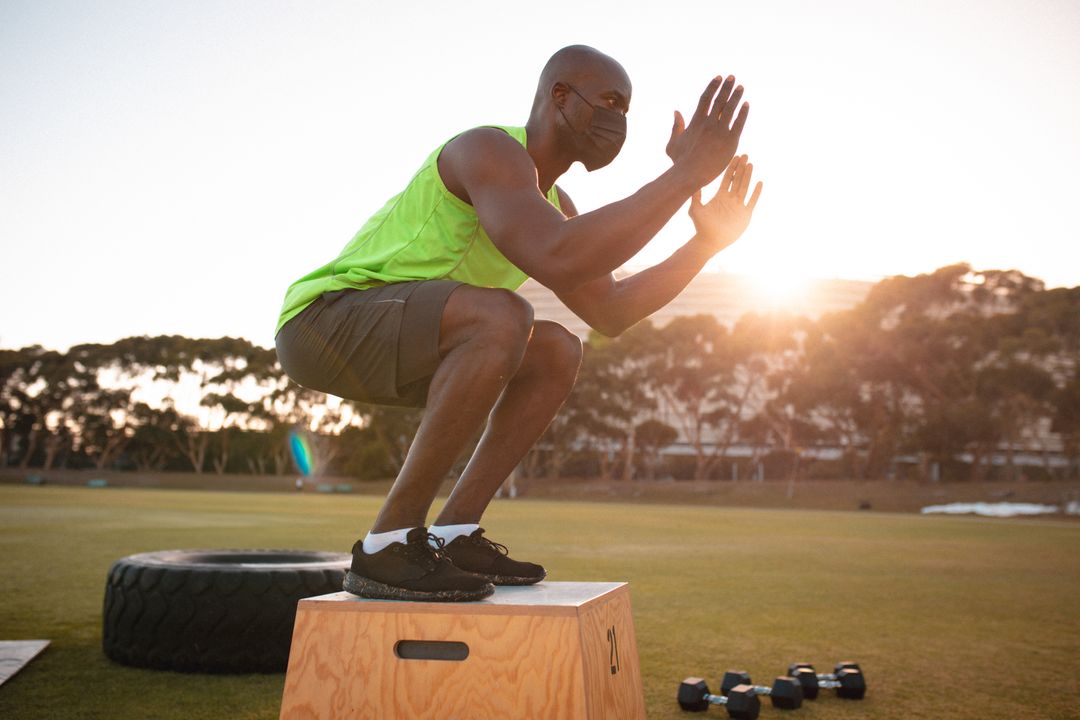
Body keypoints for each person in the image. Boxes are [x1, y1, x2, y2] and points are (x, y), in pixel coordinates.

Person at [274, 45, 763, 602]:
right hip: (324, 323)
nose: (618, 121)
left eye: (626, 110)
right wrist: (685, 175)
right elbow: (558, 255)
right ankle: (387, 545)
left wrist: (704, 243)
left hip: (411, 343)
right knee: (505, 314)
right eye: (608, 101)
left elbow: (612, 311)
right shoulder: (490, 150)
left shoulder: (554, 202)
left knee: (557, 348)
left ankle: (454, 533)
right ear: (559, 96)